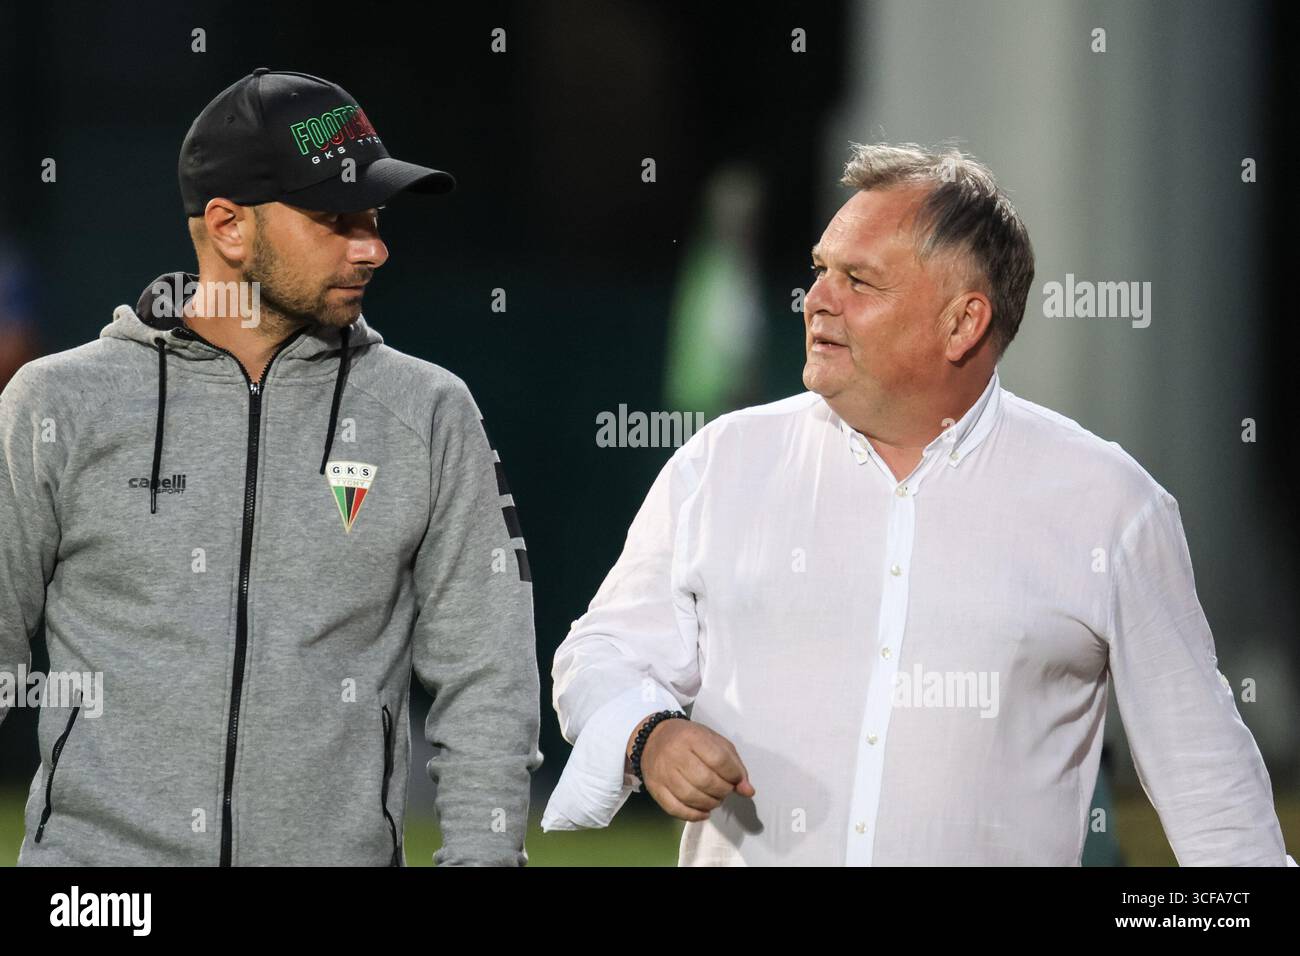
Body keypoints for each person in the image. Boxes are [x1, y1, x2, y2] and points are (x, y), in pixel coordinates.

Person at [542, 142, 1295, 866]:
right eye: (821, 270)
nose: (818, 300)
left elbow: (1206, 782)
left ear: (963, 323)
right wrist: (650, 734)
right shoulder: (720, 465)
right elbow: (600, 653)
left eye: (859, 281)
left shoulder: (1110, 505)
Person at [0, 69, 541, 866]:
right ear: (227, 227)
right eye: (335, 217)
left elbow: (489, 680)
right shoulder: (57, 402)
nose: (374, 247)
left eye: (376, 217)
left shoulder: (429, 411)